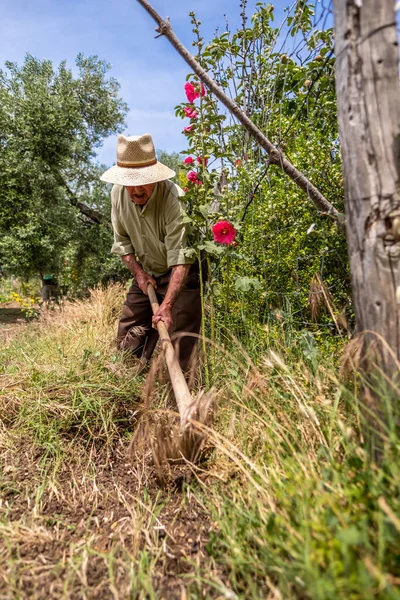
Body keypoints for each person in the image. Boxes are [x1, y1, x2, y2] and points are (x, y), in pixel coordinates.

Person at [100, 133, 201, 373]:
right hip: (147, 270)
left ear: (155, 178)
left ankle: (178, 393)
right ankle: (125, 380)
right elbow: (122, 242)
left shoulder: (173, 199)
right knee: (129, 328)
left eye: (142, 181)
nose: (135, 189)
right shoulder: (117, 194)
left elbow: (181, 259)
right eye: (129, 182)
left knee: (180, 337)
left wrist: (166, 306)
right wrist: (138, 274)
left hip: (181, 273)